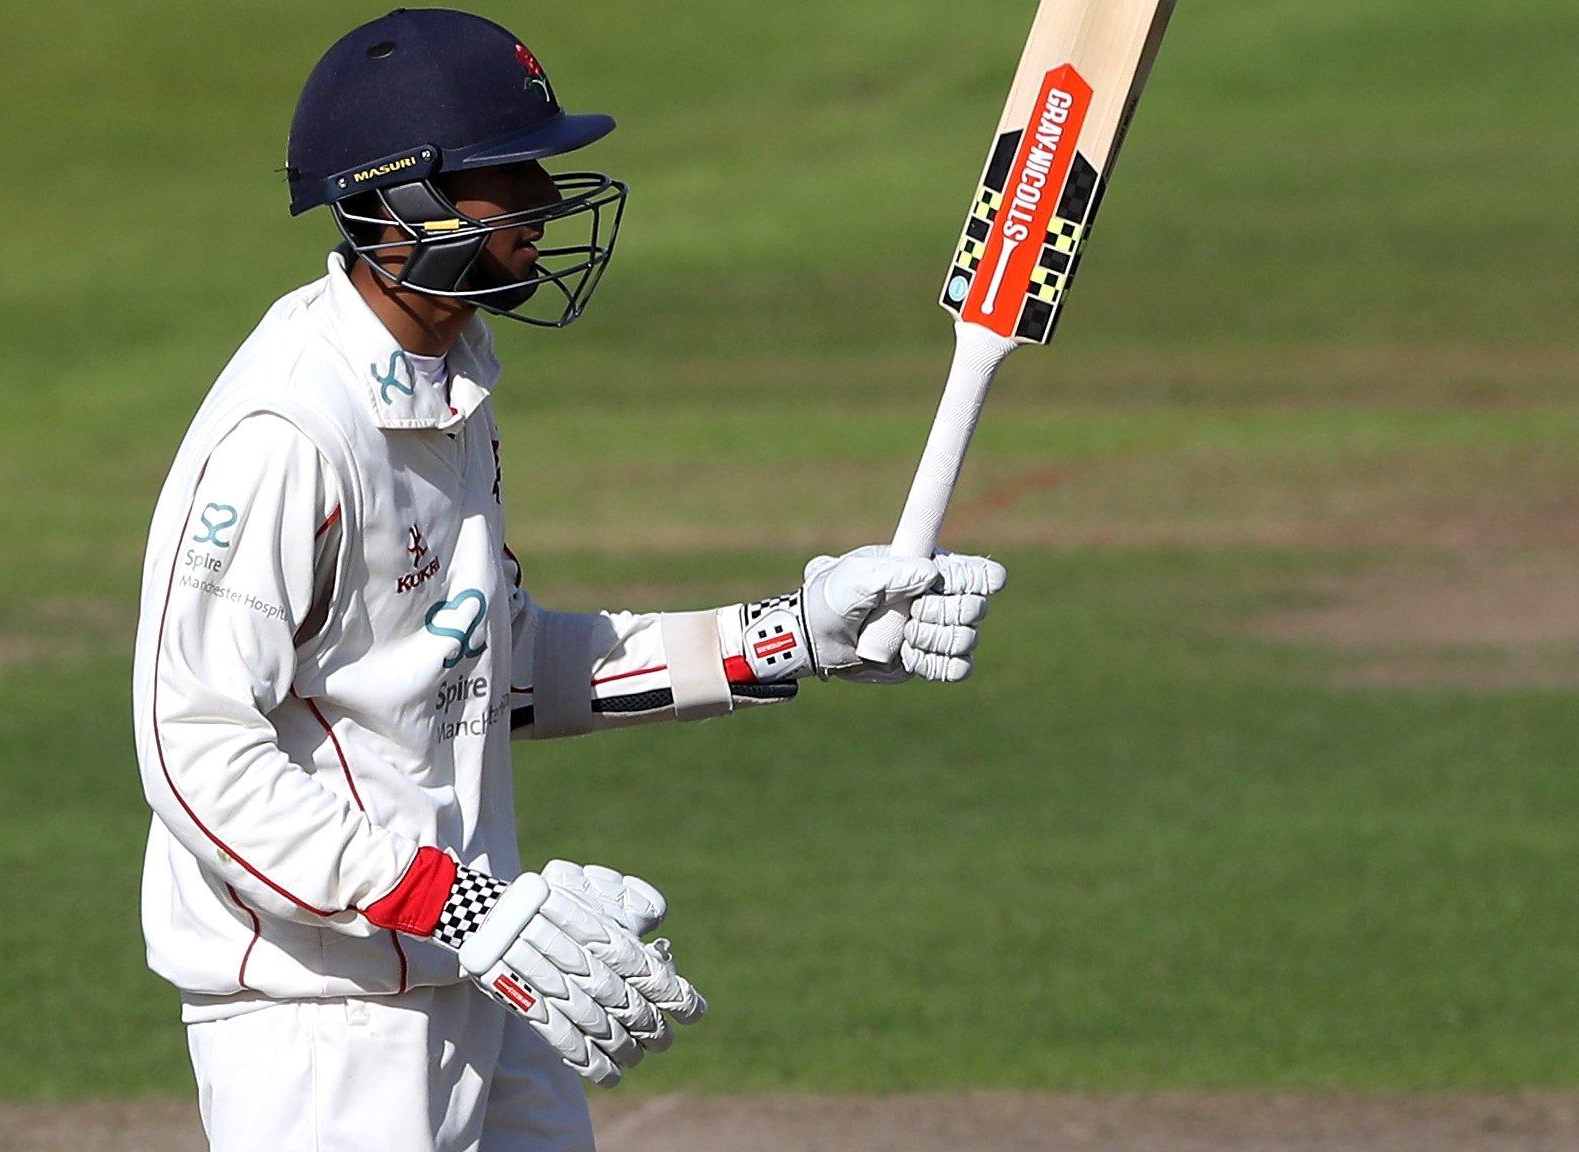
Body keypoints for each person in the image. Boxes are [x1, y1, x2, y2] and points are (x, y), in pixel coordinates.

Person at [131, 10, 1008, 1151]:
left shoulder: (447, 388)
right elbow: (192, 747)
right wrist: (453, 904)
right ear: (403, 206)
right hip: (323, 1022)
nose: (546, 200)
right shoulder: (288, 432)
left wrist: (788, 635)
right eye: (511, 174)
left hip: (467, 968)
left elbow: (493, 670)